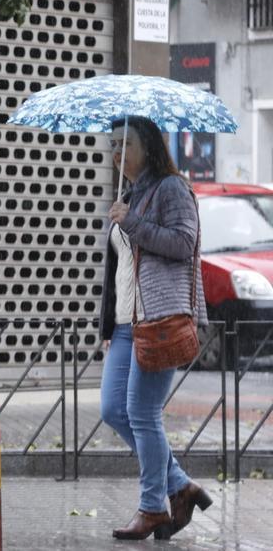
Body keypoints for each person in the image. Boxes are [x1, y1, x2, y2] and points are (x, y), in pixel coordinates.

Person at [99, 116, 211, 541]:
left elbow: (184, 244)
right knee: (113, 409)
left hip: (159, 320)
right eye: (112, 144)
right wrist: (109, 323)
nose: (117, 153)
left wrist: (132, 222)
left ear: (148, 145)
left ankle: (152, 508)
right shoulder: (130, 193)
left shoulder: (171, 188)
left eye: (126, 143)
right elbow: (121, 269)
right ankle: (180, 485)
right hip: (127, 323)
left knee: (144, 415)